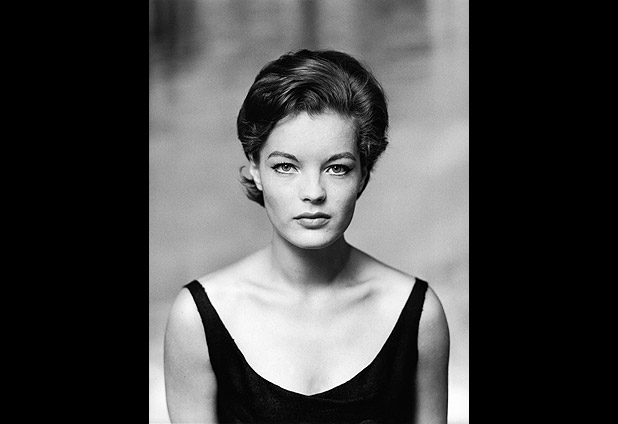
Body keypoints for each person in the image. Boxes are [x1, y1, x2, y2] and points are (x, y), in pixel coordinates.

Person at [164, 49, 449, 423]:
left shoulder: (418, 314)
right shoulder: (198, 317)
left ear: (363, 173)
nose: (313, 192)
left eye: (337, 168)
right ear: (255, 170)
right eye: (286, 166)